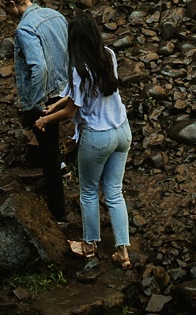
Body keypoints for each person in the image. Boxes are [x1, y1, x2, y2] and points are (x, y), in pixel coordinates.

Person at [37, 15, 133, 268]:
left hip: (98, 135)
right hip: (122, 131)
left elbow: (71, 112)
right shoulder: (108, 55)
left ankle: (89, 245)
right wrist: (57, 102)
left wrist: (45, 121)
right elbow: (78, 95)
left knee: (89, 191)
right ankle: (123, 252)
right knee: (114, 192)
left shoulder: (78, 70)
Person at [0, 0, 69, 223]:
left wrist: (36, 105)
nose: (7, 16)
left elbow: (38, 67)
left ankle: (58, 212)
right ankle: (61, 168)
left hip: (45, 96)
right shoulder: (55, 15)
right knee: (52, 144)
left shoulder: (25, 29)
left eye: (6, 10)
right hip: (64, 90)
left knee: (47, 154)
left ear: (13, 4)